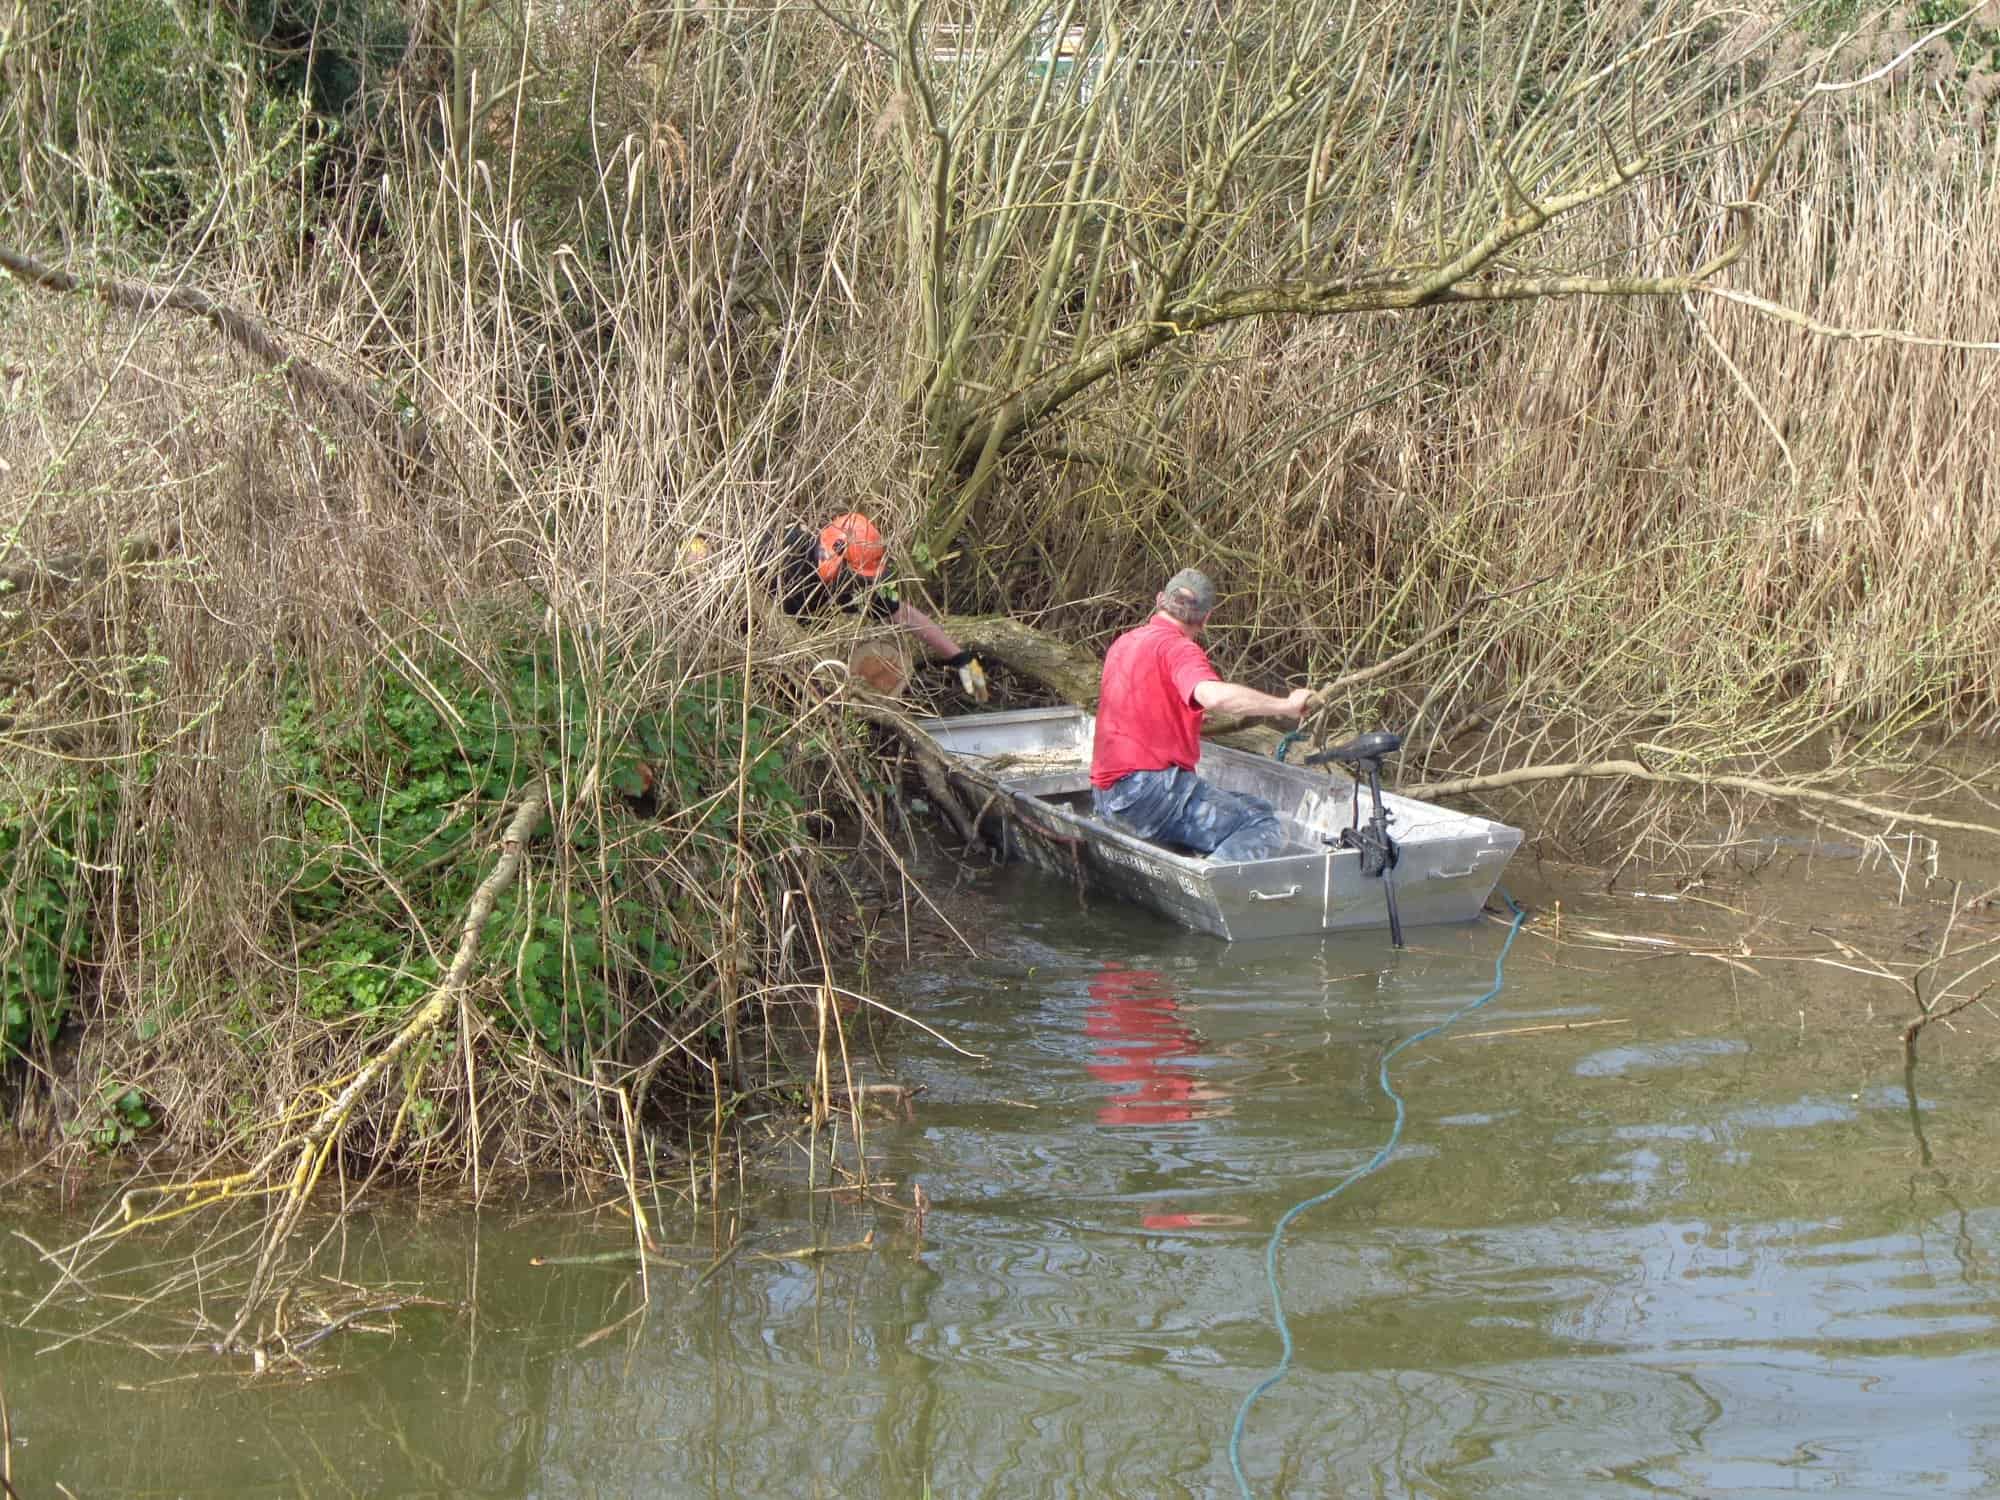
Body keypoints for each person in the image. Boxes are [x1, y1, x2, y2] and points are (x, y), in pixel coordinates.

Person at [1089, 567, 1309, 861]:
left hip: (1107, 797)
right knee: (1262, 826)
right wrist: (1287, 705)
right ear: (1206, 618)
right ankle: (1211, 890)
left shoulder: (1123, 643)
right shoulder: (1178, 649)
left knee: (1258, 807)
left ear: (1159, 600)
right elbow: (1213, 696)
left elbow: (1142, 705)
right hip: (1147, 797)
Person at [771, 512, 989, 701]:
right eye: (854, 575)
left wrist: (960, 659)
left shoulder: (850, 582)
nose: (858, 584)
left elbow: (905, 615)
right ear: (832, 556)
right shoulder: (781, 558)